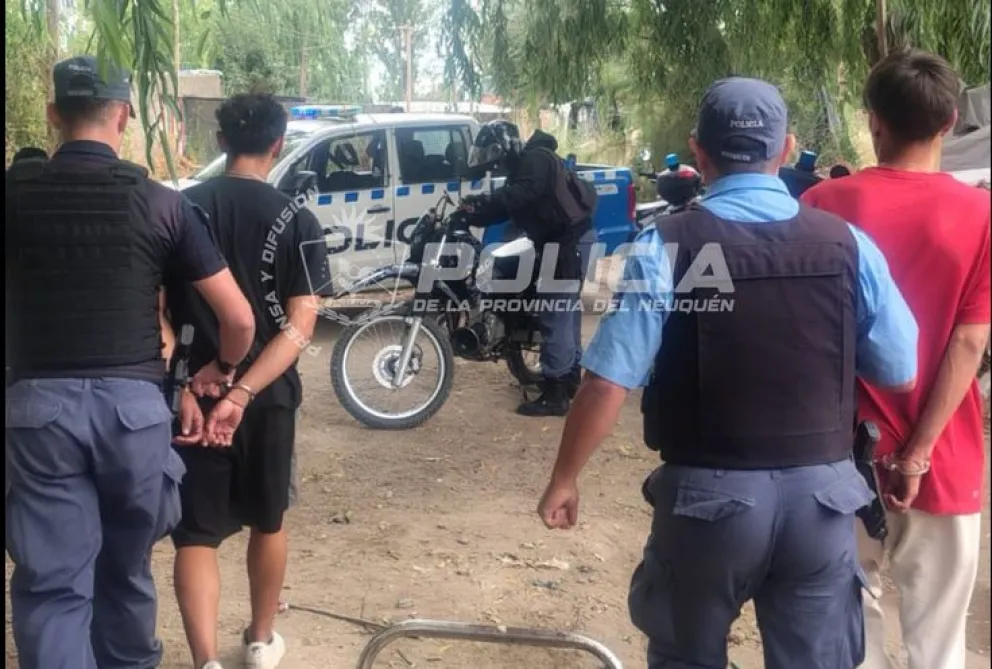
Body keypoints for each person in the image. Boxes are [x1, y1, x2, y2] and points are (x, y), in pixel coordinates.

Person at [536, 77, 921, 669]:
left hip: (706, 505)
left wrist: (565, 478)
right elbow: (899, 370)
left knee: (685, 655)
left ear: (698, 151)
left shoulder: (664, 245)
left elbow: (608, 382)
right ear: (788, 149)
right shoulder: (848, 245)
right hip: (821, 503)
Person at [4, 55, 256, 669]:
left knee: (53, 586)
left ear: (53, 114)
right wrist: (219, 373)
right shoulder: (161, 204)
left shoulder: (13, 199)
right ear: (125, 115)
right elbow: (240, 319)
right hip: (134, 415)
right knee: (126, 571)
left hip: (38, 413)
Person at [801, 49, 991, 669]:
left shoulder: (824, 203)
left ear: (874, 120)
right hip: (944, 454)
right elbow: (969, 342)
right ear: (949, 123)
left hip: (837, 454)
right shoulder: (983, 215)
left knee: (849, 633)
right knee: (938, 642)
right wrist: (919, 451)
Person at [163, 93, 330, 669]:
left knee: (196, 534)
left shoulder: (178, 210)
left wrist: (185, 383)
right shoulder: (297, 219)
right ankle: (260, 641)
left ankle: (206, 660)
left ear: (221, 142)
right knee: (269, 517)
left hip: (190, 398)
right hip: (268, 397)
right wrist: (244, 390)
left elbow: (156, 310)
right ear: (278, 144)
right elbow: (302, 323)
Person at [459, 121, 597, 416]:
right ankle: (570, 376)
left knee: (556, 311)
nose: (494, 165)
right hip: (560, 239)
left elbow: (521, 194)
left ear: (505, 147)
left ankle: (556, 394)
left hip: (568, 241)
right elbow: (506, 206)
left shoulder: (537, 160)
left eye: (495, 157)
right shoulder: (523, 167)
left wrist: (482, 201)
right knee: (563, 309)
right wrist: (472, 214)